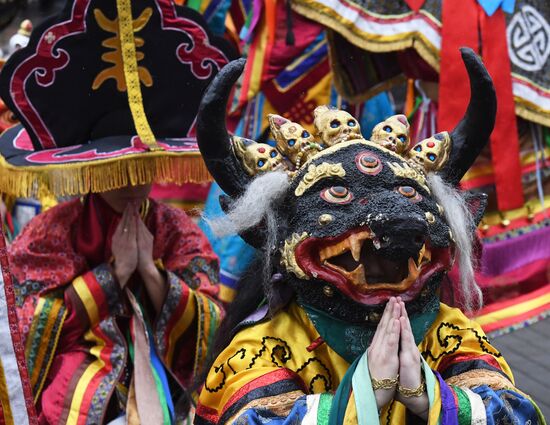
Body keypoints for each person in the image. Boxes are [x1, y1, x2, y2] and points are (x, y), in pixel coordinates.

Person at [192, 51, 545, 423]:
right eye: (337, 194)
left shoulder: (449, 331)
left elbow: (517, 414)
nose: (393, 218)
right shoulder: (265, 346)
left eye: (408, 193)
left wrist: (428, 395)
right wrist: (364, 397)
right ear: (272, 236)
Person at [0, 0, 236, 422]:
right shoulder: (52, 230)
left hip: (168, 384)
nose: (133, 185)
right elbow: (25, 331)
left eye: (143, 169)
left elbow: (213, 327)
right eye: (117, 172)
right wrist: (109, 278)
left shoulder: (176, 229)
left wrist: (153, 275)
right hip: (74, 389)